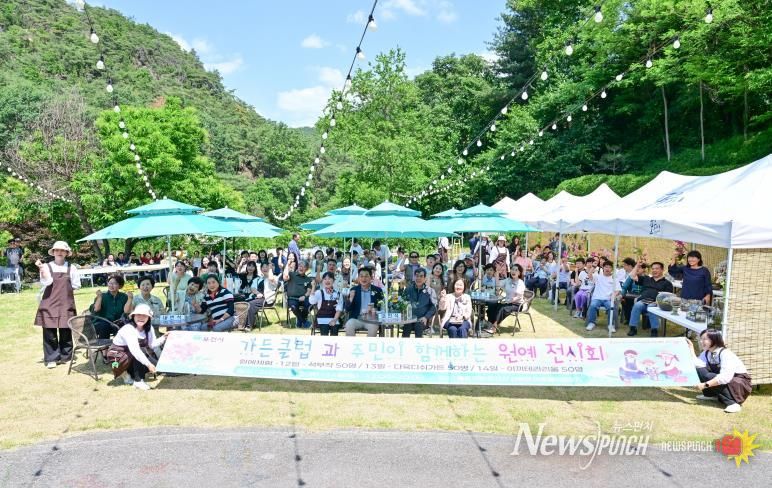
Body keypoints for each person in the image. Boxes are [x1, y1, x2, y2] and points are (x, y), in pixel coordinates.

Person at [34, 241, 80, 369]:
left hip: (66, 303)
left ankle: (66, 356)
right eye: (57, 250)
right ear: (53, 252)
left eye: (62, 250)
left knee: (66, 330)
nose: (59, 252)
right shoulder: (47, 266)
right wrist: (42, 269)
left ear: (66, 253)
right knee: (49, 331)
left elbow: (76, 285)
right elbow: (47, 282)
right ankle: (51, 358)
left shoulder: (72, 268)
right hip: (49, 303)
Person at [689, 329, 752, 413]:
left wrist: (705, 385)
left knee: (710, 376)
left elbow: (725, 377)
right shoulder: (706, 353)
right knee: (699, 370)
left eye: (704, 339)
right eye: (701, 339)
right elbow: (698, 364)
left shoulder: (726, 354)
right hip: (727, 381)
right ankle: (711, 395)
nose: (701, 341)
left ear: (714, 339)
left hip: (738, 384)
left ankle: (733, 403)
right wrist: (691, 348)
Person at [107, 304, 167, 390]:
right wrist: (148, 364)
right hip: (116, 357)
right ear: (133, 316)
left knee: (155, 366)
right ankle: (137, 381)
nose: (141, 318)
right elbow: (135, 351)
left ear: (149, 318)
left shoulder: (149, 328)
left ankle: (130, 373)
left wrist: (164, 337)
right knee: (142, 355)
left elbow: (152, 344)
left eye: (144, 315)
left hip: (130, 355)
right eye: (138, 315)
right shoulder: (129, 329)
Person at [627, 262, 674, 336]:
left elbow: (668, 297)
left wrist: (658, 302)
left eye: (657, 268)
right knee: (637, 305)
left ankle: (654, 330)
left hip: (656, 302)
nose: (654, 270)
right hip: (643, 300)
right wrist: (637, 265)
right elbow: (632, 276)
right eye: (653, 269)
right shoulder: (646, 279)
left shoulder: (667, 283)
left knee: (651, 307)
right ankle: (633, 328)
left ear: (662, 270)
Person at [344, 267, 385, 337]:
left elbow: (382, 307)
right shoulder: (354, 290)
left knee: (374, 327)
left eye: (366, 276)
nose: (364, 279)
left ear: (371, 277)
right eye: (361, 276)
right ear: (358, 278)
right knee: (349, 324)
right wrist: (351, 298)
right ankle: (352, 346)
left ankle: (367, 347)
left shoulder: (378, 290)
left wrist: (376, 310)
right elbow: (347, 309)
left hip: (371, 319)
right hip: (356, 318)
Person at [487, 264, 526, 333]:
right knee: (492, 305)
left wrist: (510, 301)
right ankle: (490, 323)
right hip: (507, 302)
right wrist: (497, 274)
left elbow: (519, 296)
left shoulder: (521, 282)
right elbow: (498, 284)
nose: (513, 271)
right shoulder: (508, 280)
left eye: (516, 270)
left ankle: (494, 327)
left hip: (517, 304)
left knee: (503, 309)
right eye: (512, 269)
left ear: (519, 273)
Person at [585, 261, 621, 333]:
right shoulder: (598, 276)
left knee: (611, 307)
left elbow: (618, 290)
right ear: (603, 268)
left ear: (612, 269)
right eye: (606, 267)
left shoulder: (614, 279)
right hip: (597, 298)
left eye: (609, 267)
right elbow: (589, 276)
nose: (607, 269)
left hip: (608, 299)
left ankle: (611, 325)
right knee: (593, 305)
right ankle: (591, 323)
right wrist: (593, 267)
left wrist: (613, 295)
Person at [90, 274, 128, 338]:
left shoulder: (123, 296)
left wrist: (130, 299)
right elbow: (96, 309)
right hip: (101, 323)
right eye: (110, 283)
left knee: (125, 326)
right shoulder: (103, 296)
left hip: (117, 322)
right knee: (105, 325)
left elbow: (127, 311)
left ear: (120, 286)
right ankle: (103, 345)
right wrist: (99, 297)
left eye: (115, 283)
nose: (111, 285)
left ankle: (120, 345)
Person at [402, 268, 437, 338]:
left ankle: (418, 347)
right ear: (414, 277)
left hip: (422, 319)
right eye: (417, 276)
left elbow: (433, 307)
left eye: (421, 276)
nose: (419, 278)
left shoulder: (430, 291)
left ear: (425, 278)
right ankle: (404, 347)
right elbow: (402, 302)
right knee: (407, 326)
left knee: (418, 325)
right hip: (409, 318)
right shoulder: (408, 289)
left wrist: (426, 317)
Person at [245, 264, 278, 331]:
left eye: (267, 267)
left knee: (251, 304)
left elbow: (271, 279)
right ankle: (241, 323)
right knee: (244, 302)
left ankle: (249, 325)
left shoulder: (274, 277)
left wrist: (270, 270)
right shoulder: (258, 279)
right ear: (260, 269)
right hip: (257, 297)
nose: (265, 268)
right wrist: (258, 293)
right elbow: (253, 288)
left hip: (266, 299)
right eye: (263, 267)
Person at [283, 260, 314, 328]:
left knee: (311, 304)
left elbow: (309, 291)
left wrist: (304, 296)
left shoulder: (308, 279)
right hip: (292, 299)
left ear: (307, 269)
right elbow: (285, 277)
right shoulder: (292, 274)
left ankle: (300, 320)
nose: (301, 268)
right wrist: (287, 265)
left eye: (303, 267)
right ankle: (304, 322)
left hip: (303, 298)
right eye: (300, 266)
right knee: (294, 307)